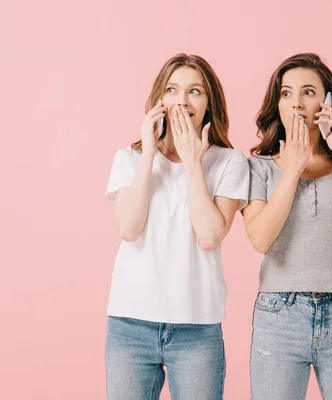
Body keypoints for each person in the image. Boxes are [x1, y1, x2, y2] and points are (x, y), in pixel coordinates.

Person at [104, 53, 249, 400]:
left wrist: (191, 161)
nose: (182, 100)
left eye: (195, 91)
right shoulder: (130, 158)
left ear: (210, 103)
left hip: (197, 330)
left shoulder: (230, 162)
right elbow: (128, 228)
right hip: (129, 325)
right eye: (172, 90)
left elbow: (211, 235)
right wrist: (150, 154)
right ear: (159, 101)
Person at [243, 53, 332, 400]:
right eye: (287, 93)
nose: (296, 102)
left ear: (327, 100)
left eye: (308, 92)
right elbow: (260, 238)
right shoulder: (259, 167)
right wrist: (292, 169)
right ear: (277, 102)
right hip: (280, 317)